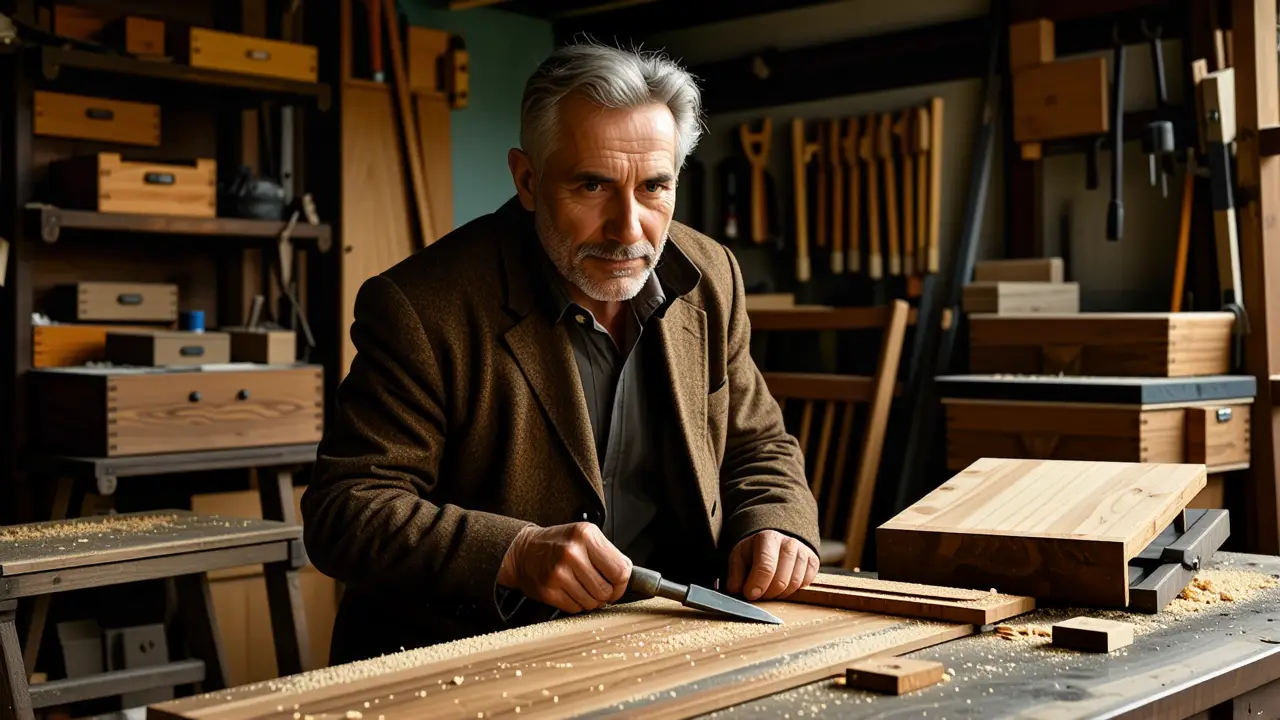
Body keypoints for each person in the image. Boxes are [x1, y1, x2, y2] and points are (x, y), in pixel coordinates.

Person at [302, 40, 821, 665]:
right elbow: (345, 510)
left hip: (670, 640)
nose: (628, 228)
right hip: (472, 656)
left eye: (654, 187)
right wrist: (512, 553)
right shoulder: (420, 306)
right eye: (592, 185)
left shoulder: (712, 275)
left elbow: (757, 444)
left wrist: (776, 522)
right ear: (527, 180)